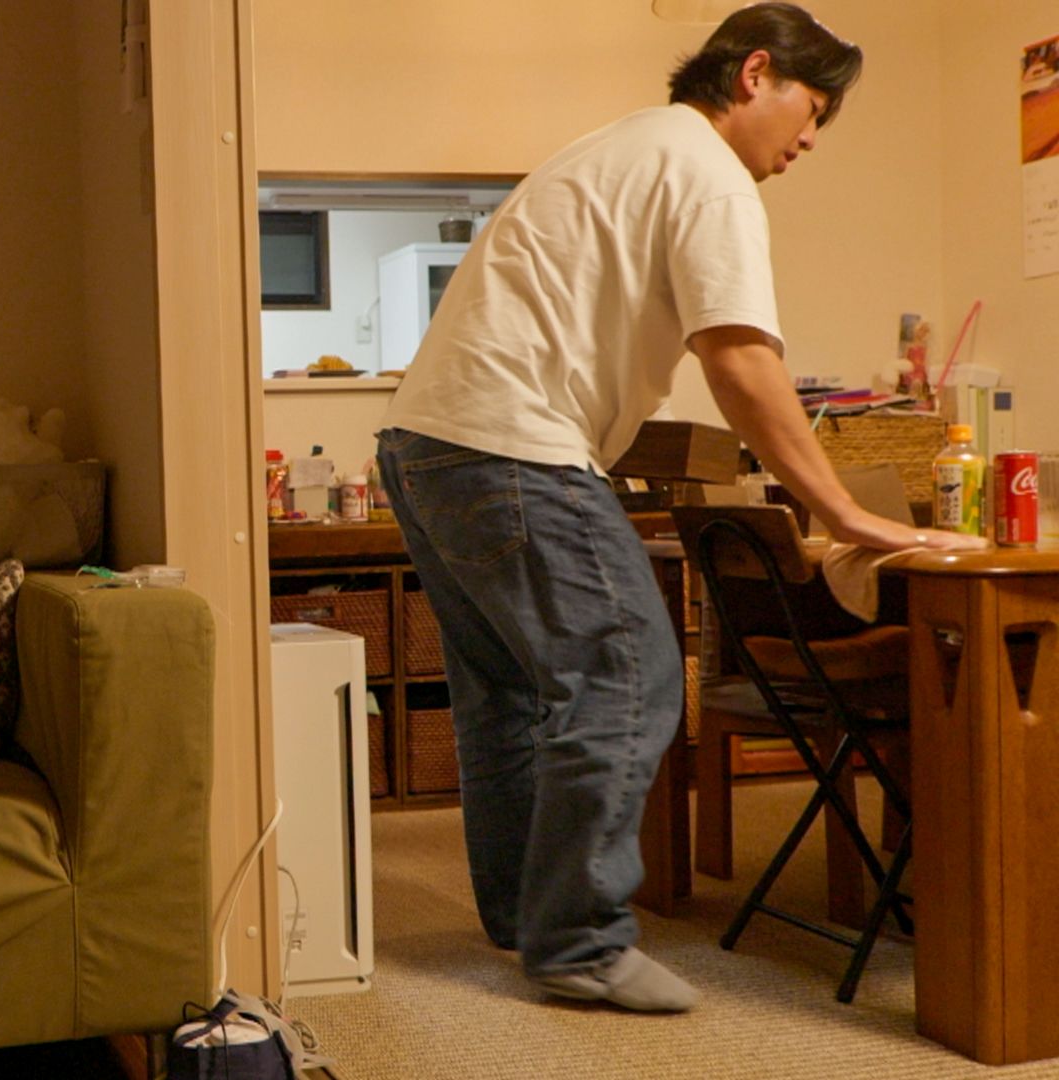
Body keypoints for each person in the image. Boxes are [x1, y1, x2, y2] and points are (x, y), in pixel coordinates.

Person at [374, 2, 985, 1014]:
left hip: (425, 444)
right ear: (755, 73)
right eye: (813, 109)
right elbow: (739, 358)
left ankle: (529, 921)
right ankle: (578, 941)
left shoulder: (623, 145)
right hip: (512, 443)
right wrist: (848, 515)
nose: (810, 141)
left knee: (510, 696)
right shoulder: (706, 169)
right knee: (628, 674)